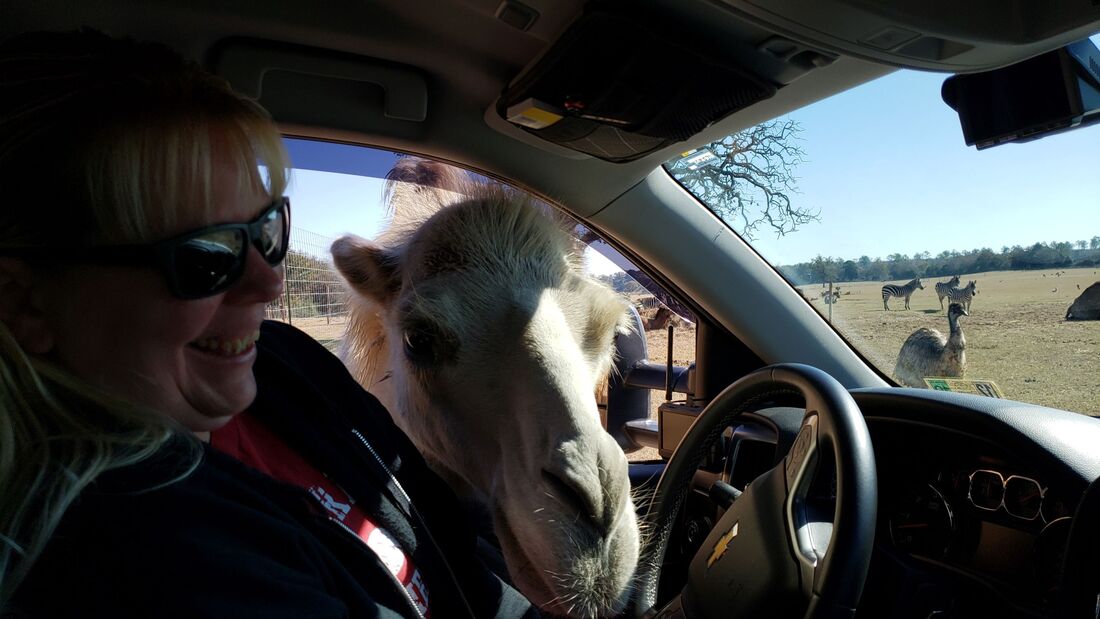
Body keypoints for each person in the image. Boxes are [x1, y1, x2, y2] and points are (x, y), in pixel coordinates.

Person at [0, 30, 536, 618]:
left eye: (267, 232)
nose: (268, 284)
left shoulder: (281, 363)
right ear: (26, 303)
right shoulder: (148, 558)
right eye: (205, 255)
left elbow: (446, 537)